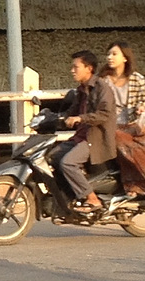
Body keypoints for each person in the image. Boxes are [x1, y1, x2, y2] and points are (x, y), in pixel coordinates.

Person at [99, 41, 145, 211]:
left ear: (125, 58)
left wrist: (141, 107)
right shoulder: (103, 80)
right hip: (113, 125)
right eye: (108, 54)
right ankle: (132, 187)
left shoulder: (136, 78)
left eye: (114, 54)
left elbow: (142, 99)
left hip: (135, 123)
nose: (110, 57)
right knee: (124, 148)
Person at [48, 50, 117, 213]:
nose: (72, 70)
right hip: (80, 137)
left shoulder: (102, 88)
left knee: (68, 162)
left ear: (89, 68)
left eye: (75, 67)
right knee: (51, 157)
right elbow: (70, 113)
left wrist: (81, 118)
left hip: (95, 138)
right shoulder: (80, 90)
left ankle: (92, 199)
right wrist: (49, 118)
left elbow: (104, 114)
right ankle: (69, 198)